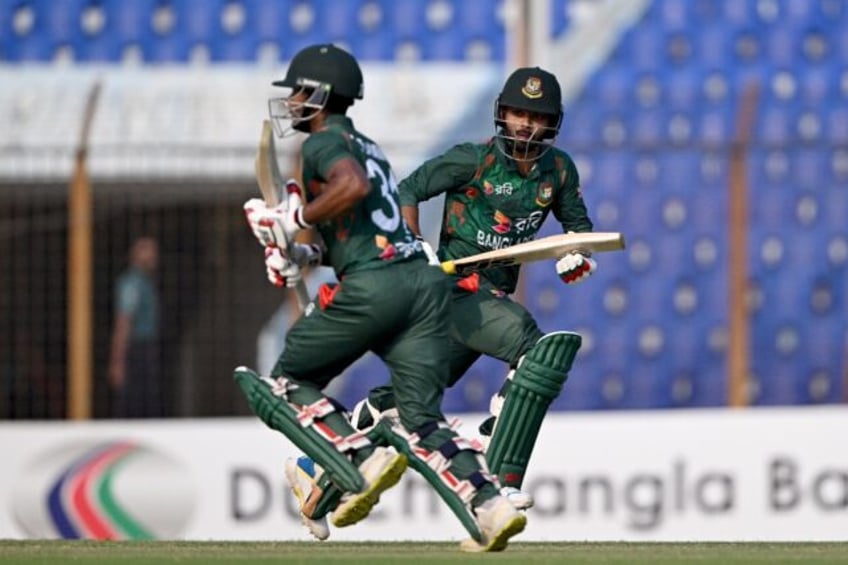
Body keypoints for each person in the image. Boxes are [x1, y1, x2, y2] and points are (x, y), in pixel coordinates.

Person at [235, 43, 526, 552]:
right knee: (421, 419)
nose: (293, 101)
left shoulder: (324, 145)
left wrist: (295, 219)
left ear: (322, 95)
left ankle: (355, 458)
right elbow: (364, 232)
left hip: (377, 288)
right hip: (421, 285)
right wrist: (301, 257)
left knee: (287, 381)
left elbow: (349, 187)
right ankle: (490, 504)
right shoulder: (368, 144)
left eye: (300, 91)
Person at [305, 66, 596, 520]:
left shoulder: (557, 171)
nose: (524, 124)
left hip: (490, 297)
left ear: (551, 123)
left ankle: (315, 472)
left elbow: (578, 228)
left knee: (405, 402)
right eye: (517, 112)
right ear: (502, 113)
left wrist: (577, 254)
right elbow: (408, 189)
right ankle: (499, 479)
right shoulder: (471, 159)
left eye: (535, 116)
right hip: (456, 290)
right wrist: (417, 244)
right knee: (532, 346)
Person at [107, 236, 163, 418]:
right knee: (135, 400)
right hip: (136, 348)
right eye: (147, 250)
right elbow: (124, 321)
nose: (153, 255)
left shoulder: (146, 282)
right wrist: (118, 361)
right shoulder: (132, 284)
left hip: (145, 347)